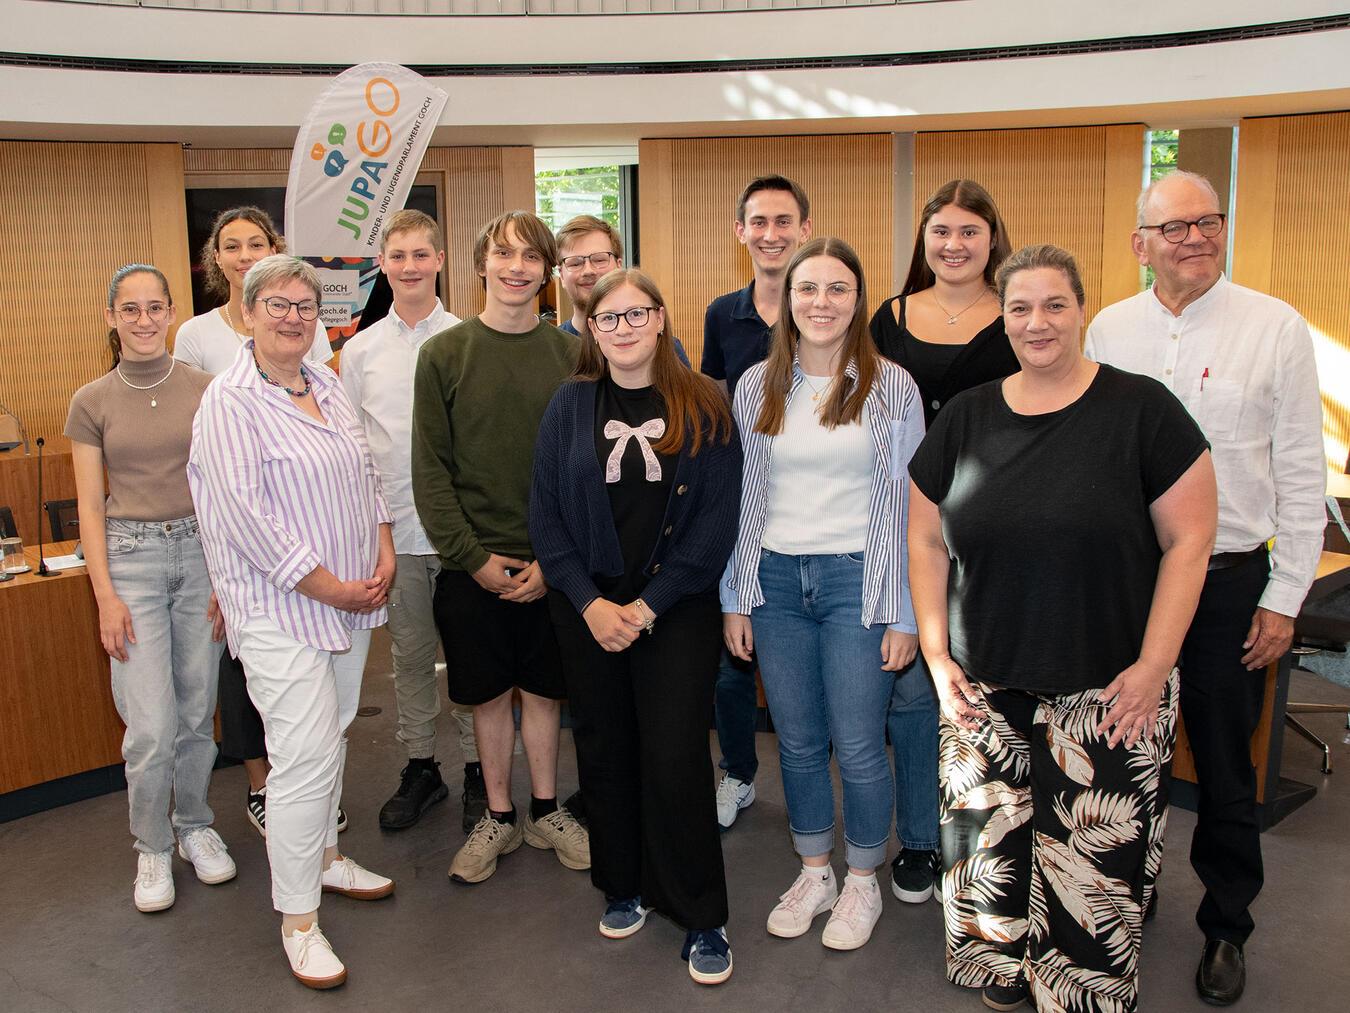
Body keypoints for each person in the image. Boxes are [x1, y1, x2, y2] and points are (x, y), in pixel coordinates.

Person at [909, 243, 1217, 1012]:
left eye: (1054, 304)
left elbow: (1190, 542)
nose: (1036, 321)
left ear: (1082, 310)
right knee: (990, 847)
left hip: (1109, 685)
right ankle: (1002, 971)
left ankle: (1076, 991)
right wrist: (936, 652)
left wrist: (1154, 666)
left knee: (1091, 870)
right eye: (1019, 307)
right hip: (983, 684)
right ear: (1001, 318)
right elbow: (921, 536)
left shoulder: (1143, 410)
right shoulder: (969, 414)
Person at [1085, 170, 1326, 1006]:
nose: (1194, 237)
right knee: (1122, 750)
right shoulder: (1108, 329)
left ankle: (1228, 922)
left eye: (1208, 221)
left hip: (1229, 583)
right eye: (1174, 226)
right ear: (1139, 242)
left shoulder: (1275, 326)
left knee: (1225, 762)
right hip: (1129, 582)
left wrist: (1285, 593)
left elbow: (1301, 469)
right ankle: (1129, 885)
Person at [189, 254, 396, 990]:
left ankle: (327, 860)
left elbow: (365, 472)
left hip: (351, 595)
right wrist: (332, 586)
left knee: (333, 727)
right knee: (303, 753)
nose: (293, 317)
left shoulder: (327, 382)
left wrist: (382, 545)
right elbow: (251, 521)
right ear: (247, 311)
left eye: (306, 305)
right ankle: (298, 918)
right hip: (283, 607)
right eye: (277, 303)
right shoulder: (229, 401)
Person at [530, 267, 742, 985]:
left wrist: (648, 606)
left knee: (676, 752)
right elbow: (546, 517)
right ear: (591, 329)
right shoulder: (569, 403)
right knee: (605, 746)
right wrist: (591, 603)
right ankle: (624, 883)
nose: (621, 329)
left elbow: (714, 527)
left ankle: (701, 912)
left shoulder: (706, 401)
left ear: (660, 318)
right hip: (586, 604)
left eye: (635, 314)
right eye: (606, 318)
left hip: (673, 606)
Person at [723, 237, 923, 952]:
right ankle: (816, 872)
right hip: (775, 582)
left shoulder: (893, 385)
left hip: (858, 584)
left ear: (858, 299)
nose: (821, 302)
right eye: (808, 288)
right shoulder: (756, 386)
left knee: (861, 743)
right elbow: (746, 497)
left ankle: (863, 877)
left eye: (838, 289)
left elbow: (911, 505)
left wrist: (904, 611)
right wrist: (736, 596)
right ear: (787, 299)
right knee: (800, 744)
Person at [412, 210, 590, 884]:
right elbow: (430, 471)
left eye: (532, 257)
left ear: (548, 273)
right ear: (481, 263)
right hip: (472, 566)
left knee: (545, 694)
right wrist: (475, 560)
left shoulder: (574, 356)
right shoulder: (444, 355)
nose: (517, 267)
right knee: (487, 697)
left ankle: (545, 809)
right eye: (504, 254)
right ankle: (497, 813)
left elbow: (585, 470)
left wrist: (555, 561)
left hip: (555, 566)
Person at [66, 264, 233, 913]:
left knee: (197, 711)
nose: (143, 320)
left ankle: (194, 826)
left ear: (170, 314)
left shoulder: (205, 389)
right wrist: (105, 595)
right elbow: (87, 507)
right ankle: (152, 843)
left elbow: (222, 491)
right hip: (129, 559)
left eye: (153, 308)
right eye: (129, 309)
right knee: (149, 725)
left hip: (199, 555)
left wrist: (224, 576)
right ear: (111, 317)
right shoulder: (91, 401)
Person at [869, 179, 1017, 906]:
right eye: (941, 232)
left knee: (981, 689)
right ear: (923, 241)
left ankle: (990, 841)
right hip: (903, 520)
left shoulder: (1018, 311)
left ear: (994, 238)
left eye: (969, 231)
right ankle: (922, 839)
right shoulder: (890, 317)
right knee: (910, 693)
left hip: (993, 522)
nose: (954, 244)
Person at [173, 205, 337, 838]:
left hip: (300, 529)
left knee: (312, 701)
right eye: (232, 246)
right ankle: (264, 787)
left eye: (256, 244)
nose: (243, 254)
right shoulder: (196, 338)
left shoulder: (304, 329)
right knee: (244, 667)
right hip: (234, 531)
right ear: (218, 261)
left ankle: (309, 798)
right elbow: (207, 457)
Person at [339, 209, 486, 833]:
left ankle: (483, 770)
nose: (409, 267)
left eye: (420, 254)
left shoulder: (471, 339)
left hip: (463, 537)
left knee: (472, 659)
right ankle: (421, 765)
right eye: (397, 256)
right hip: (395, 534)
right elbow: (351, 448)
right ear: (383, 265)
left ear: (440, 260)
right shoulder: (359, 351)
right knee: (410, 658)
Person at [701, 174, 813, 831]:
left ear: (804, 228)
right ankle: (738, 773)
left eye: (783, 221)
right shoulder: (723, 313)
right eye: (758, 221)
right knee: (732, 663)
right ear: (740, 231)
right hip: (743, 509)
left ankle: (813, 785)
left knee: (808, 665)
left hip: (813, 509)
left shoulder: (825, 305)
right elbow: (717, 409)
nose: (771, 233)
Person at [555, 214, 690, 366]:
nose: (588, 271)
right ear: (561, 275)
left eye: (599, 260)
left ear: (619, 266)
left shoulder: (663, 348)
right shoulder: (552, 351)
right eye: (575, 263)